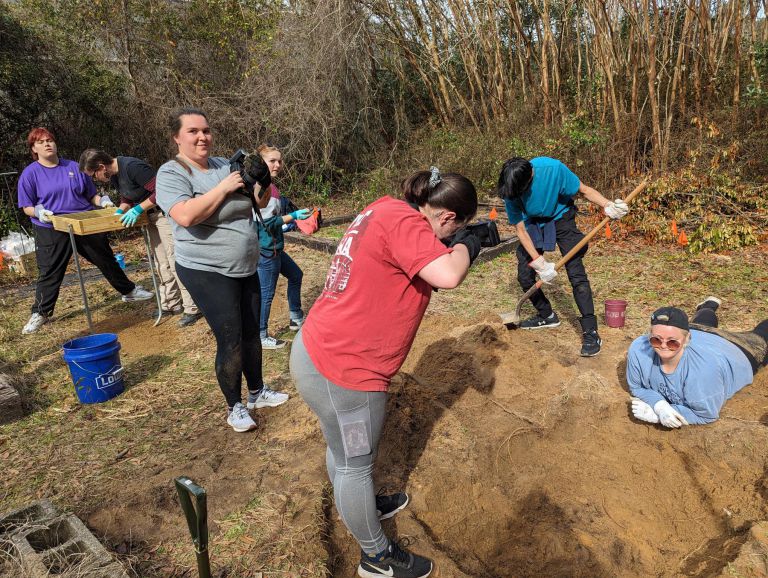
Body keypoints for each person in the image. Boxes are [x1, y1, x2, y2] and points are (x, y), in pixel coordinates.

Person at [290, 167, 482, 578]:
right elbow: (449, 275)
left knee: (343, 453)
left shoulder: (386, 207)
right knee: (354, 463)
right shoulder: (411, 225)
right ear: (447, 218)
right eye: (454, 230)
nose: (447, 241)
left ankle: (357, 504)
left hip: (319, 349)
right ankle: (376, 557)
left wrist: (458, 242)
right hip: (346, 372)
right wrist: (469, 244)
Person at [155, 108, 290, 432]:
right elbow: (186, 216)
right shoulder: (171, 173)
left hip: (245, 265)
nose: (202, 136)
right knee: (230, 339)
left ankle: (257, 392)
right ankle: (235, 406)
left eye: (206, 130)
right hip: (206, 270)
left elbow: (257, 204)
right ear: (177, 137)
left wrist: (263, 181)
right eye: (193, 131)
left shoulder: (222, 165)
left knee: (252, 334)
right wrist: (224, 188)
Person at [17, 128, 153, 335]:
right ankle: (41, 312)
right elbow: (26, 206)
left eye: (50, 140)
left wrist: (104, 201)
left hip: (84, 222)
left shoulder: (72, 167)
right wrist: (38, 211)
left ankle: (129, 291)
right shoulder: (30, 174)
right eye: (42, 142)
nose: (47, 144)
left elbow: (91, 196)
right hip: (51, 226)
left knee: (105, 258)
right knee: (50, 271)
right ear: (34, 148)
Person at [497, 156, 630, 356]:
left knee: (576, 273)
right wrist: (539, 263)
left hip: (561, 217)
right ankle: (547, 314)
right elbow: (521, 230)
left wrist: (607, 205)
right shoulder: (511, 188)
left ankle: (590, 331)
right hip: (533, 222)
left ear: (531, 176)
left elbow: (583, 190)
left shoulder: (553, 169)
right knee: (525, 275)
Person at [78, 149, 203, 328]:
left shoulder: (133, 167)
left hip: (165, 215)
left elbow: (161, 191)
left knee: (175, 259)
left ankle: (192, 307)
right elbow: (127, 195)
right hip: (149, 217)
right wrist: (122, 209)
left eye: (93, 175)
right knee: (161, 262)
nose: (95, 180)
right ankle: (171, 303)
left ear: (101, 167)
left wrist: (138, 209)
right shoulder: (115, 175)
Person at [628, 297, 768, 428]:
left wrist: (658, 415)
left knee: (762, 334)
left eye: (672, 342)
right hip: (699, 331)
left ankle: (709, 308)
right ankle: (708, 306)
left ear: (687, 339)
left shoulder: (703, 372)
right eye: (656, 340)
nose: (663, 346)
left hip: (734, 349)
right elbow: (637, 387)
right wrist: (659, 405)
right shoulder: (639, 348)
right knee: (703, 323)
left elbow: (706, 415)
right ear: (649, 335)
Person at [255, 144, 311, 349]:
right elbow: (265, 223)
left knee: (296, 275)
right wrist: (293, 216)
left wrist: (289, 223)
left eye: (279, 160)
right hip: (266, 251)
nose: (277, 164)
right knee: (266, 294)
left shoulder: (270, 185)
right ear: (261, 163)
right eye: (272, 161)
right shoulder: (261, 188)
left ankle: (296, 318)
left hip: (276, 248)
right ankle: (261, 336)